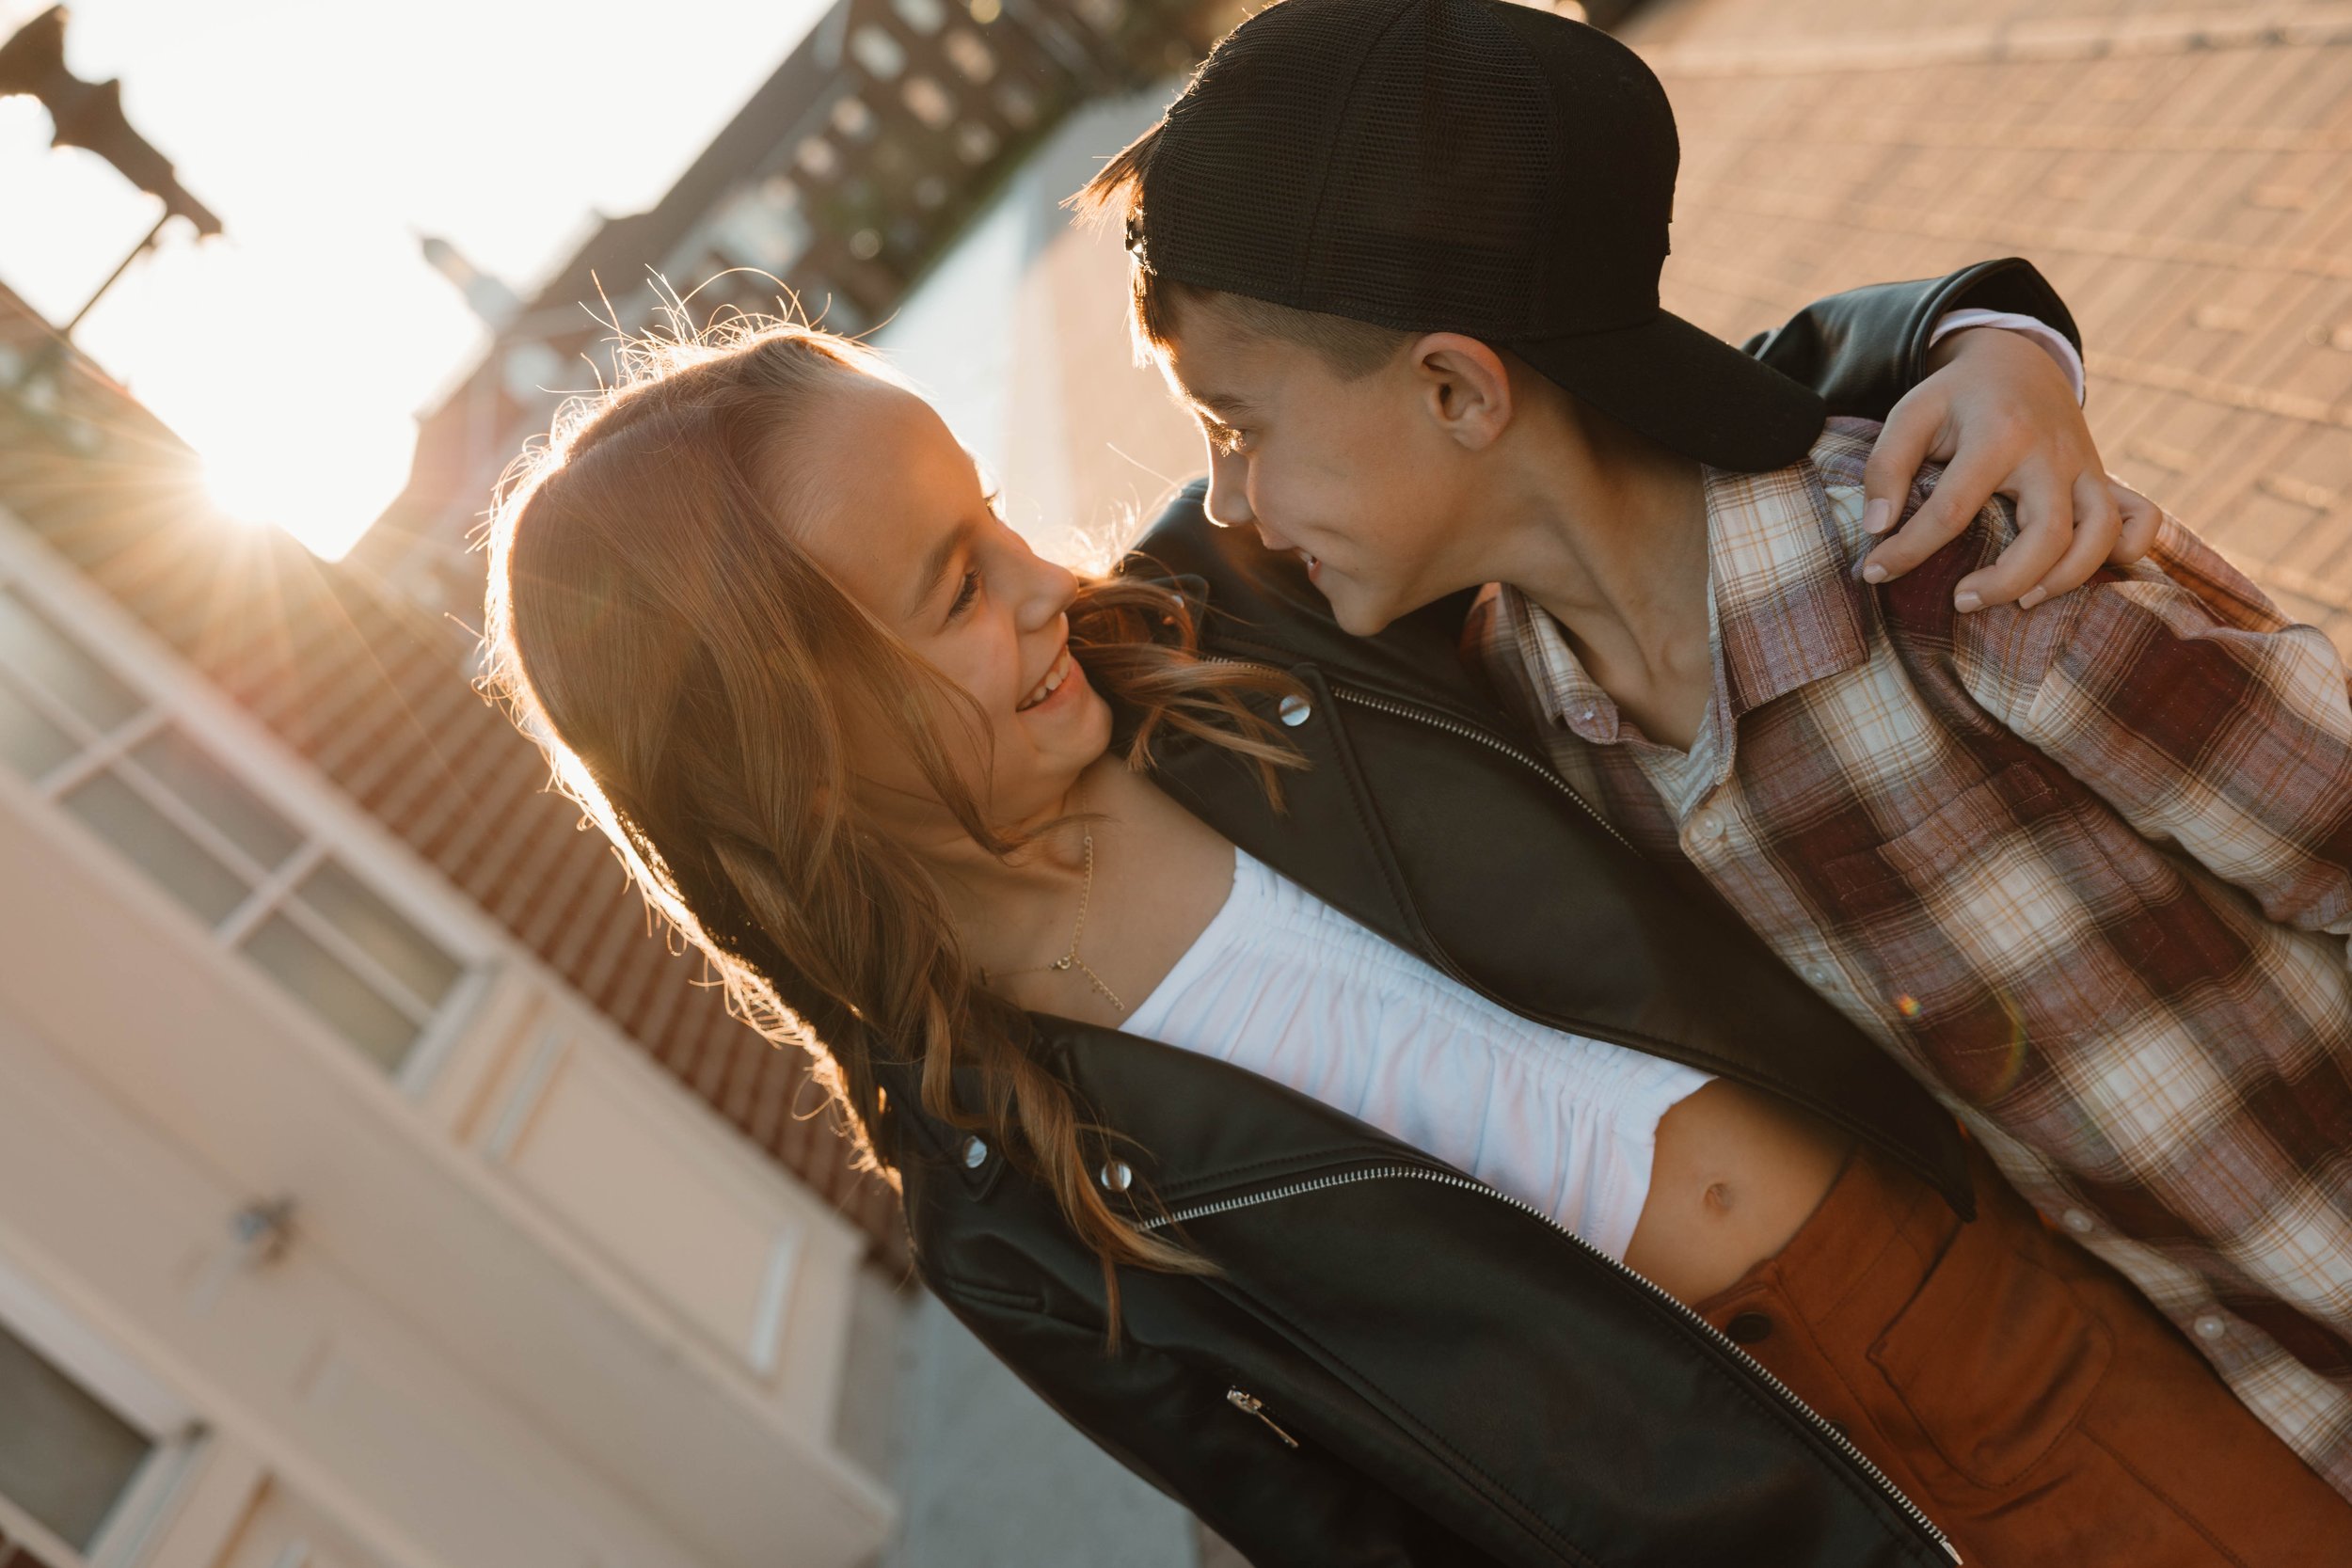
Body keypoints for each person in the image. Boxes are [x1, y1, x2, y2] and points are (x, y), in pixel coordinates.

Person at [480, 309, 2348, 1564]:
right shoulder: (1012, 1216)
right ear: (783, 753)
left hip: (1993, 1330)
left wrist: (1980, 337)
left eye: (993, 521)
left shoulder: (1239, 611)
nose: (1046, 580)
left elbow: (1594, 376)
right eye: (955, 586)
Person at [1077, 0, 2352, 1518]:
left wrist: (2002, 341)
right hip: (2261, 1446)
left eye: (1239, 425)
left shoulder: (1966, 587)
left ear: (1458, 391)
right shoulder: (1535, 732)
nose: (1225, 505)